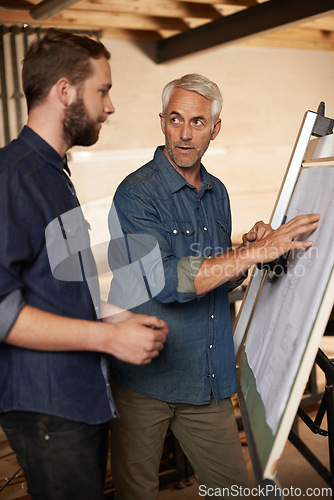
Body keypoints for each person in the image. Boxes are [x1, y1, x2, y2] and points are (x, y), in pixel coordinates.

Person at [108, 73, 320, 499]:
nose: (185, 135)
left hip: (206, 381)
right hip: (144, 384)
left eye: (198, 123)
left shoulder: (217, 192)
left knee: (232, 491)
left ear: (215, 128)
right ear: (162, 122)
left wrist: (253, 249)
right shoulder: (136, 194)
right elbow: (167, 281)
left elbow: (216, 274)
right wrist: (249, 255)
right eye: (175, 120)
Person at [0, 29, 168, 500]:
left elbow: (62, 282)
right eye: (103, 90)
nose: (110, 106)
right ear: (65, 91)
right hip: (47, 405)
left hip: (79, 398)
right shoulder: (12, 176)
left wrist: (116, 316)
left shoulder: (56, 173)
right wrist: (109, 337)